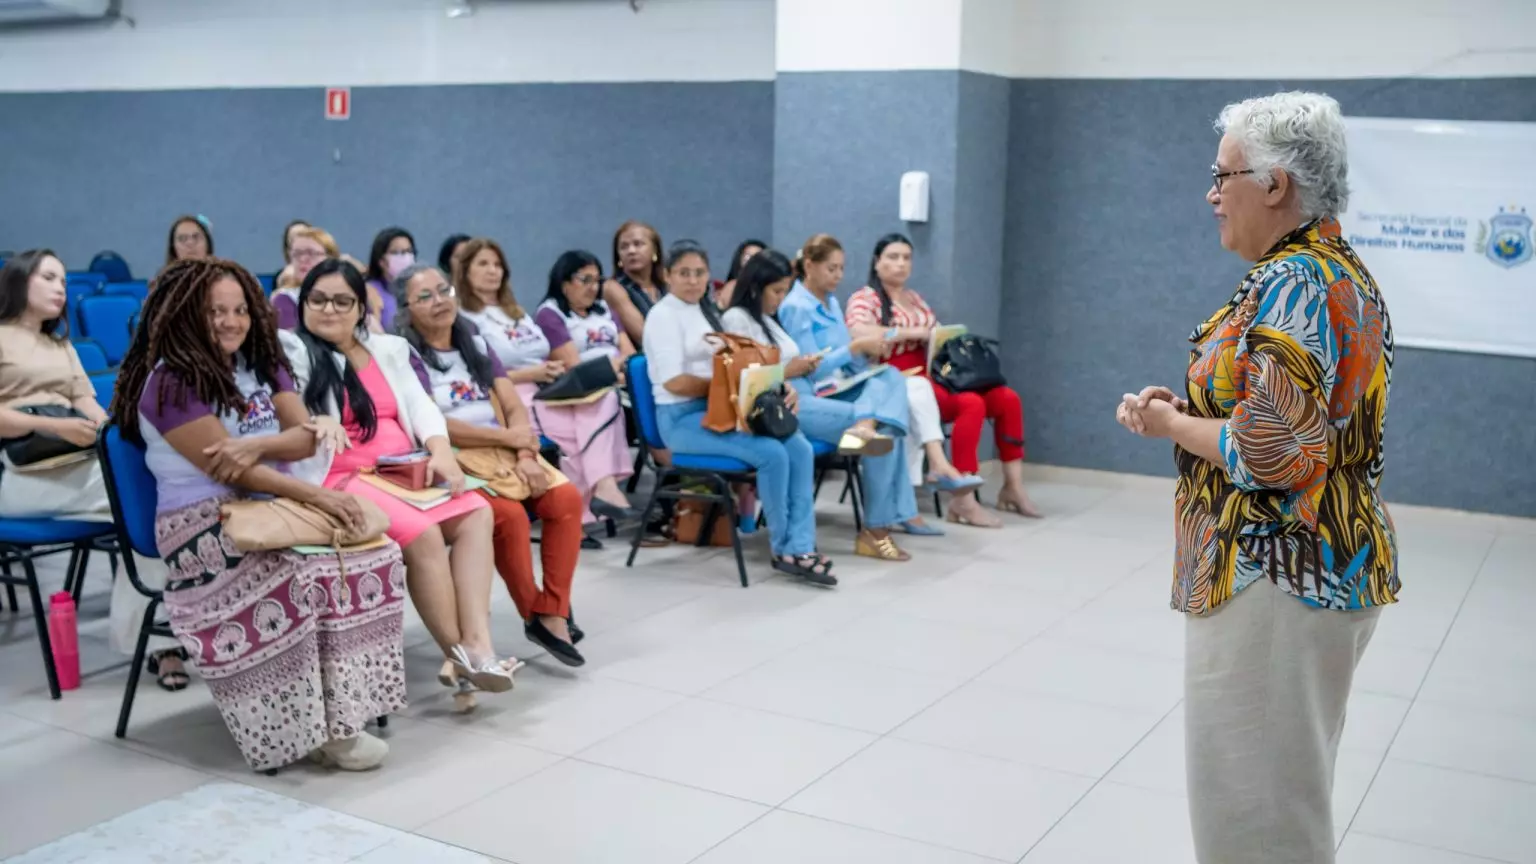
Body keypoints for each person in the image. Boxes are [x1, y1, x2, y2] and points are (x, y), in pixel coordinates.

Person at [1114, 91, 1397, 864]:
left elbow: (1273, 452)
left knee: (1256, 822)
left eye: (1223, 174)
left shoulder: (1297, 280)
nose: (1211, 193)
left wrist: (1174, 426)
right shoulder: (1328, 269)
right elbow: (1277, 415)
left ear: (1276, 185)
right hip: (1308, 574)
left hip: (1274, 576)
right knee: (1280, 798)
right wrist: (1194, 410)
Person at [112, 257, 407, 772]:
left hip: (267, 507)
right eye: (214, 312)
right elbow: (230, 470)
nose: (230, 321)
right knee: (306, 574)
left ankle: (344, 712)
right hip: (200, 527)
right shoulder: (170, 384)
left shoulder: (261, 362)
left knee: (376, 553)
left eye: (239, 309)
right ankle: (316, 730)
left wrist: (256, 445)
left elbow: (304, 434)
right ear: (184, 314)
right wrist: (309, 490)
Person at [280, 258, 520, 698]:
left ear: (360, 308)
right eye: (317, 300)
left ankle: (477, 644)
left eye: (341, 301)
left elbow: (421, 404)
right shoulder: (292, 351)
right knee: (424, 534)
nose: (328, 310)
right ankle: (464, 655)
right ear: (303, 304)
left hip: (400, 469)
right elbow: (289, 411)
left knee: (478, 513)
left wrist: (442, 452)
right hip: (341, 475)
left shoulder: (387, 349)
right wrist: (315, 421)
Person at [0, 250, 188, 690]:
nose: (60, 288)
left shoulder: (59, 344)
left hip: (74, 468)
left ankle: (154, 638)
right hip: (25, 478)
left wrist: (109, 431)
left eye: (63, 280)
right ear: (19, 281)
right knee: (145, 506)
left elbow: (86, 401)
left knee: (149, 504)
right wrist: (56, 425)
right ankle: (158, 643)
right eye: (48, 277)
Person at [395, 263, 587, 666]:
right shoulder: (407, 355)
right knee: (506, 516)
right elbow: (432, 423)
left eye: (443, 290)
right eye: (424, 296)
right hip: (455, 456)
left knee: (565, 499)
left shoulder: (476, 342)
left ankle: (551, 610)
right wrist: (508, 440)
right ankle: (534, 612)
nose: (439, 301)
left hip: (505, 449)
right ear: (406, 308)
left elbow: (513, 404)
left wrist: (525, 456)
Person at [643, 240, 833, 585]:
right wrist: (727, 386)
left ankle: (802, 544)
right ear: (667, 275)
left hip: (720, 408)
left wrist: (775, 385)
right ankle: (783, 549)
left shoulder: (706, 310)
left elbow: (741, 363)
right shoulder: (663, 315)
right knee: (772, 453)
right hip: (681, 420)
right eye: (683, 273)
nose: (692, 280)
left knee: (800, 448)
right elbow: (674, 382)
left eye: (699, 272)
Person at [722, 248, 920, 561]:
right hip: (781, 404)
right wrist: (793, 369)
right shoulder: (737, 319)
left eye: (784, 290)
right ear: (756, 287)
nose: (780, 298)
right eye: (776, 291)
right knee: (884, 429)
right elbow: (743, 377)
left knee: (889, 384)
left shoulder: (768, 320)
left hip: (800, 394)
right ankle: (879, 526)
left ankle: (881, 512)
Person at [779, 233, 978, 529]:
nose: (838, 276)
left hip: (841, 387)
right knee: (887, 429)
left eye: (841, 269)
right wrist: (854, 349)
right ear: (809, 266)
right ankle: (885, 522)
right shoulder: (797, 306)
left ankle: (874, 439)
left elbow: (847, 360)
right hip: (813, 394)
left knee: (889, 376)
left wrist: (866, 354)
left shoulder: (831, 302)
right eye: (831, 269)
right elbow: (809, 369)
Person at [846, 234, 1041, 526]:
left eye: (906, 258)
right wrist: (913, 334)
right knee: (971, 404)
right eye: (892, 257)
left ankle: (1013, 486)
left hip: (935, 373)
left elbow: (935, 336)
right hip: (897, 377)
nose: (900, 264)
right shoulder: (866, 297)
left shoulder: (914, 299)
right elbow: (858, 332)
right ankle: (963, 499)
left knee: (1006, 398)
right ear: (877, 262)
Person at [456, 240, 637, 530]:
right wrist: (533, 373)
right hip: (509, 397)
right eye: (483, 264)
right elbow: (476, 376)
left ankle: (594, 497)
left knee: (604, 401)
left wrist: (547, 371)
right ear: (464, 272)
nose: (493, 271)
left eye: (497, 264)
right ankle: (582, 507)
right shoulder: (464, 319)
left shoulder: (514, 311)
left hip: (545, 388)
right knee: (576, 432)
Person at [601, 220, 666, 346]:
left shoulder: (666, 285)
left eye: (638, 244)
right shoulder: (613, 288)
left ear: (655, 251)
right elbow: (645, 337)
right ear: (618, 257)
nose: (631, 251)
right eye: (624, 247)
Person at [272, 226, 338, 330]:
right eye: (297, 254)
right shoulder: (285, 299)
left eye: (311, 253)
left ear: (331, 258)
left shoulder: (350, 293)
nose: (303, 259)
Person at [364, 227, 415, 331]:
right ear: (381, 261)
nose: (405, 257)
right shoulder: (371, 291)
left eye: (408, 251)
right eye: (396, 252)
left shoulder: (418, 288)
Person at [714, 238, 764, 310]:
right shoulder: (732, 287)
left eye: (759, 259)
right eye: (748, 258)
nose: (753, 263)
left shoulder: (768, 290)